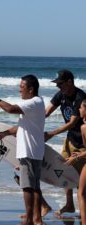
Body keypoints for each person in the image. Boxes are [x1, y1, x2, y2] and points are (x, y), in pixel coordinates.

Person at [0, 75, 46, 225]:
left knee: (27, 187)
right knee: (34, 187)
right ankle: (37, 219)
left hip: (28, 151)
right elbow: (23, 126)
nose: (19, 89)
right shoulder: (37, 103)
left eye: (22, 87)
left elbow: (10, 109)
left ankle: (29, 220)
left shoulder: (33, 102)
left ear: (31, 89)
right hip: (34, 150)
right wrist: (6, 133)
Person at [45, 69, 86, 217]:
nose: (58, 87)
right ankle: (69, 204)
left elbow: (72, 123)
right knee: (63, 169)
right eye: (57, 84)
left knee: (81, 180)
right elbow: (47, 111)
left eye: (60, 84)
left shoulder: (80, 97)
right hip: (70, 140)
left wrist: (50, 134)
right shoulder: (61, 94)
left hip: (83, 144)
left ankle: (84, 213)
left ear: (69, 82)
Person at [65, 99, 86, 225]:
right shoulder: (83, 127)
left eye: (81, 108)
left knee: (81, 193)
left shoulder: (84, 127)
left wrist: (76, 158)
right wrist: (79, 154)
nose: (79, 110)